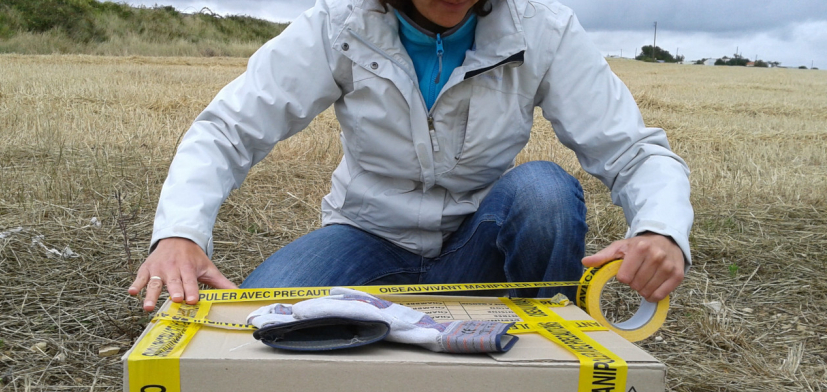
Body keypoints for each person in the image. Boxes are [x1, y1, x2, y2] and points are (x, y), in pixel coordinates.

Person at [129, 0, 693, 312]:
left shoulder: (544, 30)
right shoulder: (339, 25)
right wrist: (180, 232)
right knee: (261, 326)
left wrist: (662, 229)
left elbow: (633, 151)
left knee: (544, 193)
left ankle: (544, 363)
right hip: (365, 238)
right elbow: (229, 128)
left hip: (481, 244)